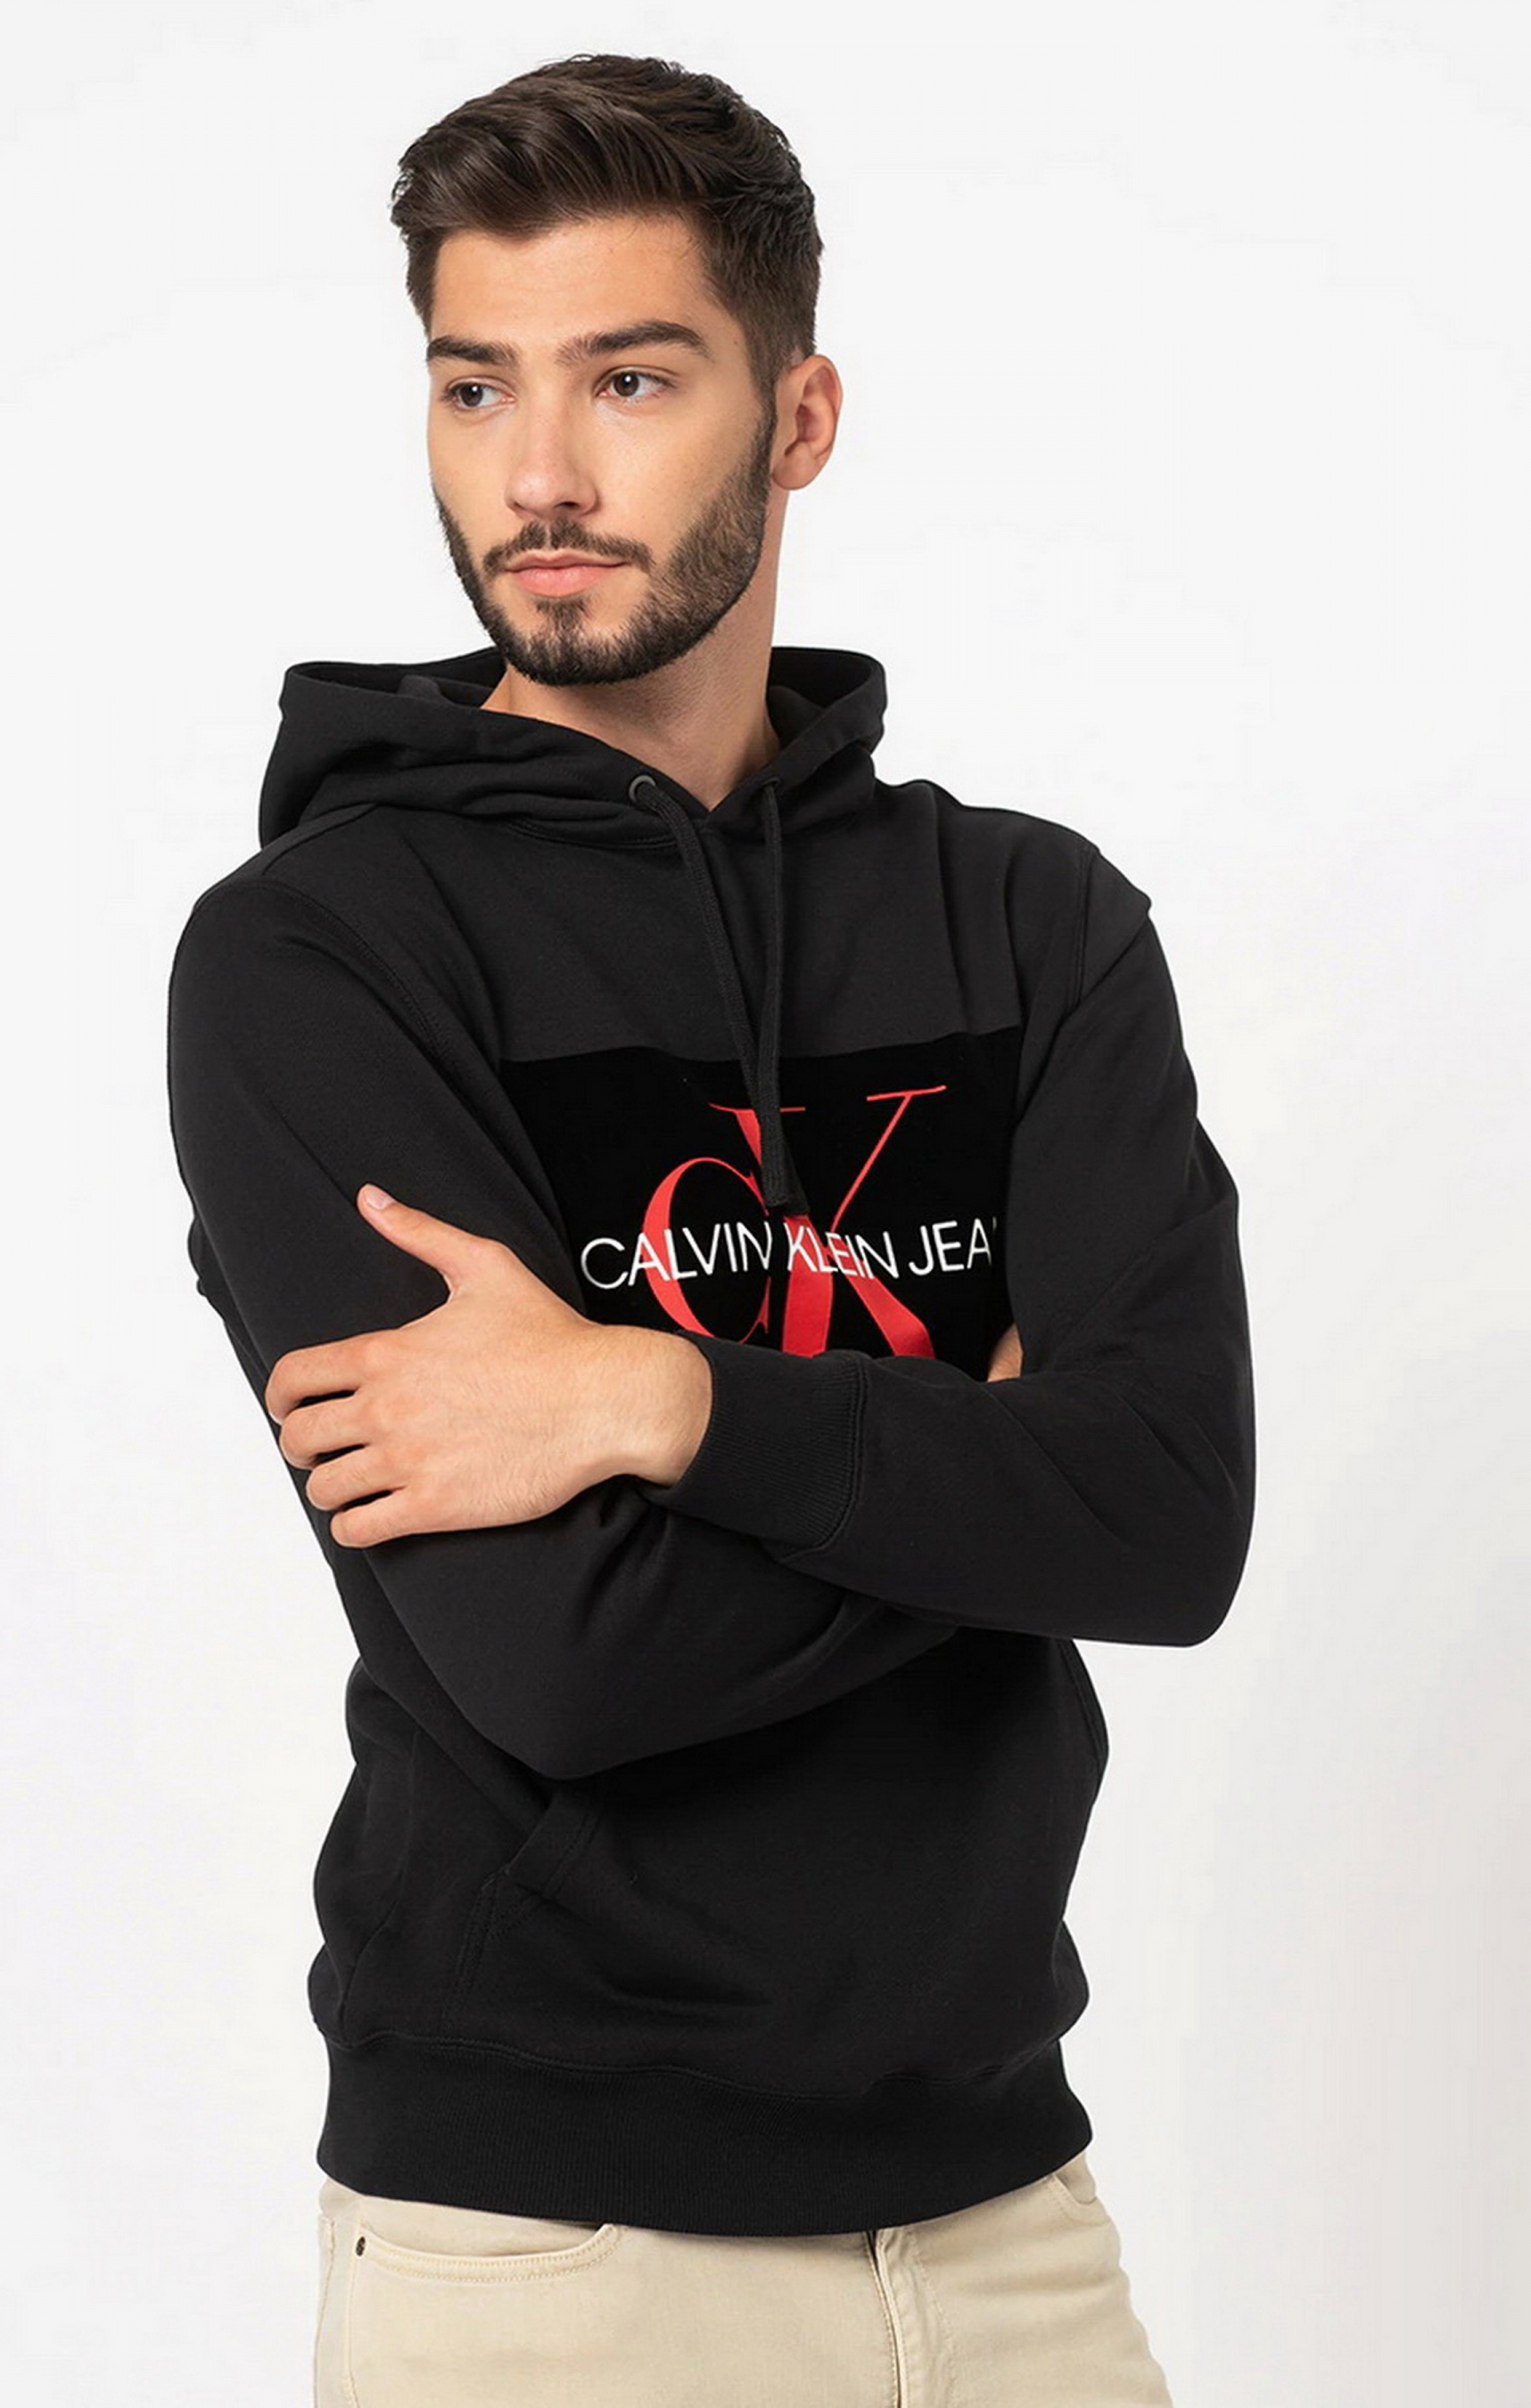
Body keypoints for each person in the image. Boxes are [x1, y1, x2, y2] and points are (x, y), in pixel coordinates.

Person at [165, 50, 1255, 2408]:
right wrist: (999, 1476)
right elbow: (561, 1659)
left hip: (1010, 2221)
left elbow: (1172, 1525)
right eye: (475, 384)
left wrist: (659, 1399)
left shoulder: (1027, 924)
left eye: (630, 380)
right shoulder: (322, 958)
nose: (537, 476)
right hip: (548, 2258)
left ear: (798, 417)